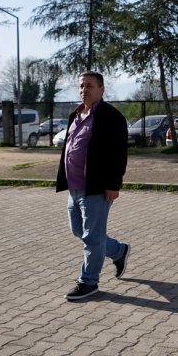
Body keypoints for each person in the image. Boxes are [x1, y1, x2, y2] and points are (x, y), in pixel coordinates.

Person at [57, 71, 131, 301]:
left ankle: (89, 282)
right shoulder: (75, 115)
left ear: (101, 89)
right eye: (81, 86)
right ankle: (119, 251)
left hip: (97, 187)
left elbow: (119, 154)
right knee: (80, 231)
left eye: (89, 86)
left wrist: (113, 184)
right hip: (75, 187)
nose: (84, 90)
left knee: (92, 237)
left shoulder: (111, 117)